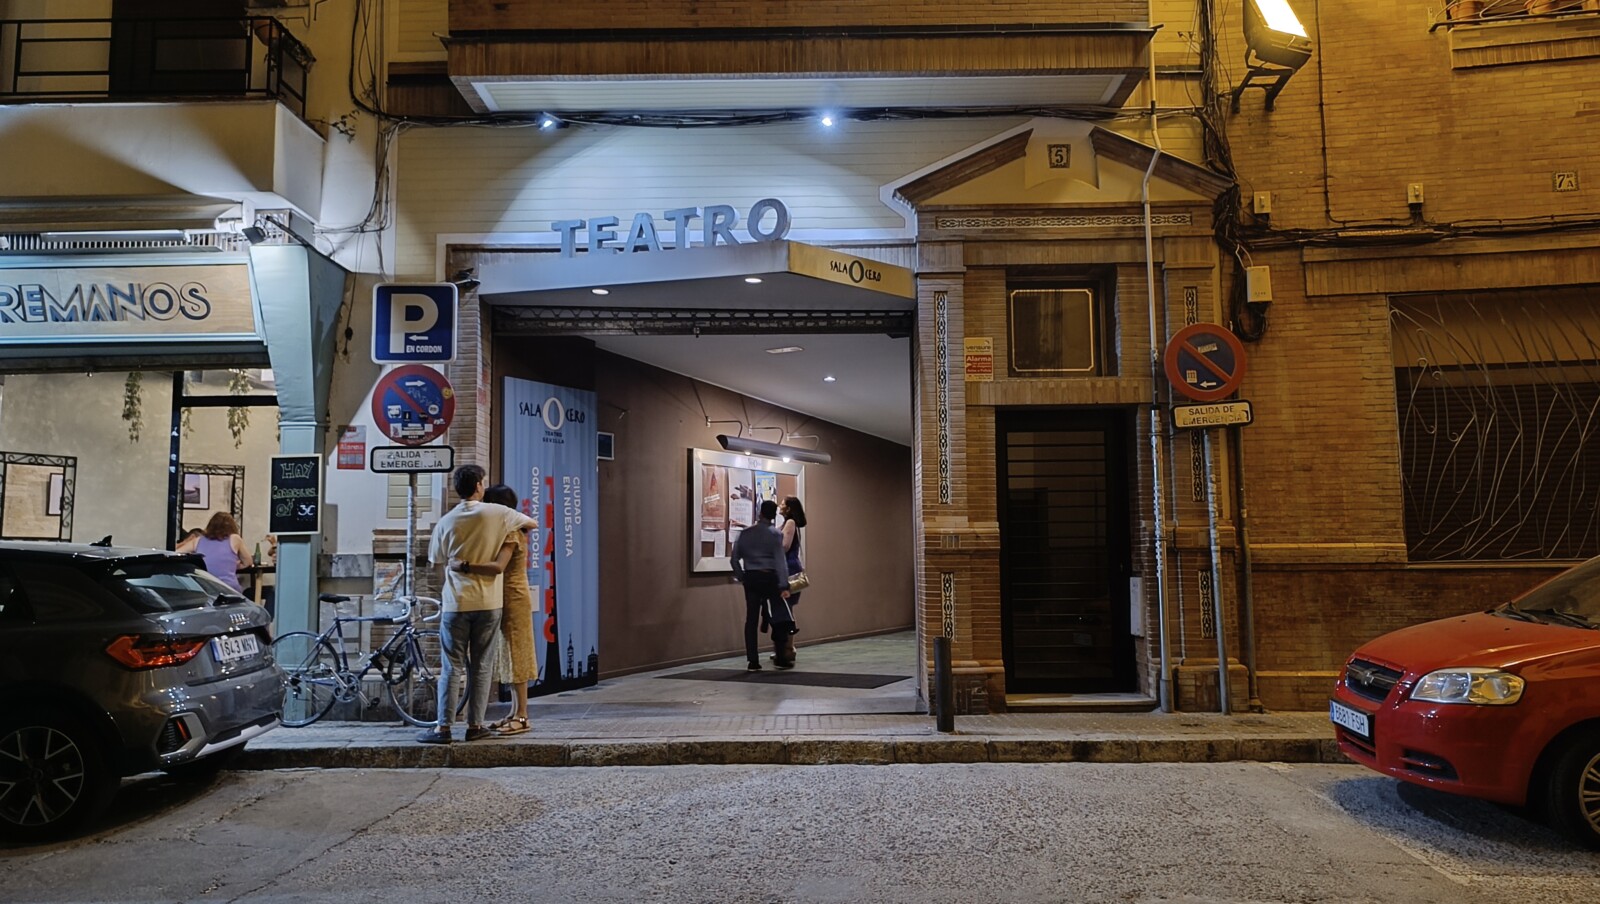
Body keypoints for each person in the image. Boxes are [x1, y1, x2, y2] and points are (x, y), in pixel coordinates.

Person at [417, 465, 537, 745]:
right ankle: (476, 726)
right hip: (489, 602)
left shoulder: (447, 520)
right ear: (479, 486)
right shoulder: (498, 517)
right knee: (483, 665)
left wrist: (458, 570)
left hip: (459, 602)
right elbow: (532, 522)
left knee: (453, 666)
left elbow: (435, 564)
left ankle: (444, 727)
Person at [453, 484, 535, 736]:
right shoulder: (507, 527)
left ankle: (522, 715)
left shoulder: (510, 531)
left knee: (516, 652)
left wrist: (465, 566)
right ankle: (513, 711)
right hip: (504, 596)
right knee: (508, 652)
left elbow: (499, 566)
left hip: (513, 597)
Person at [731, 499, 792, 670]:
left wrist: (742, 577)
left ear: (760, 513)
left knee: (751, 619)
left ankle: (753, 660)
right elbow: (780, 562)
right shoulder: (775, 535)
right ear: (773, 516)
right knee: (777, 617)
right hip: (770, 577)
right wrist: (783, 584)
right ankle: (780, 656)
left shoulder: (745, 533)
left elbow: (734, 559)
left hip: (751, 578)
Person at [175, 513, 250, 596]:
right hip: (229, 588)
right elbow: (248, 562)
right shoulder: (235, 538)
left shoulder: (198, 540)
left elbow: (176, 553)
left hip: (205, 588)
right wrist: (233, 565)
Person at [779, 495, 808, 664]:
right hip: (790, 567)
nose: (780, 505)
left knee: (786, 608)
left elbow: (784, 546)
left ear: (789, 508)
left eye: (783, 503)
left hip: (789, 570)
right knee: (786, 608)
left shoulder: (790, 523)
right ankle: (785, 647)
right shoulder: (789, 523)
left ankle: (788, 648)